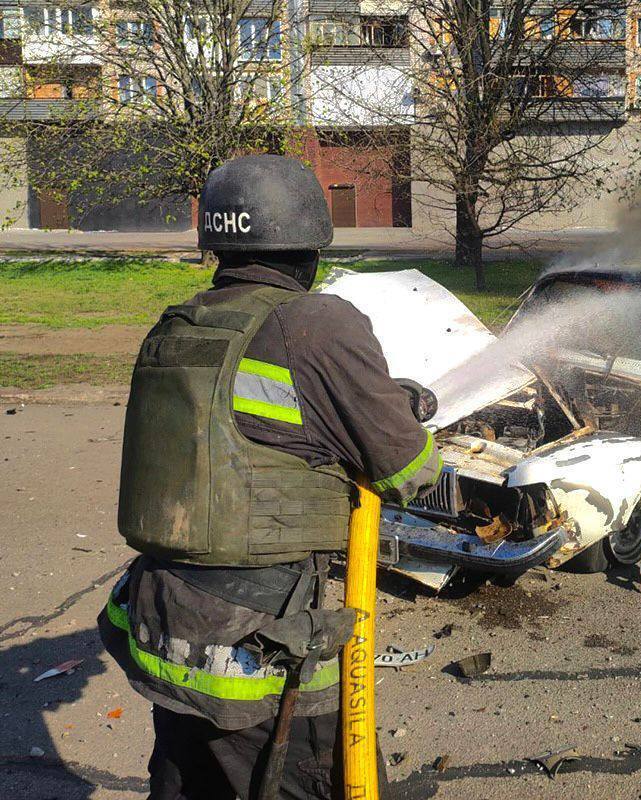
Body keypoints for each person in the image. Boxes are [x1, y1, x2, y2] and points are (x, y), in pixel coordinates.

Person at [98, 154, 442, 799]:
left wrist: (347, 404)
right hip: (258, 647)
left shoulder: (178, 326)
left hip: (164, 625)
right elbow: (410, 471)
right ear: (311, 245)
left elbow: (250, 418)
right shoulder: (317, 323)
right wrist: (391, 412)